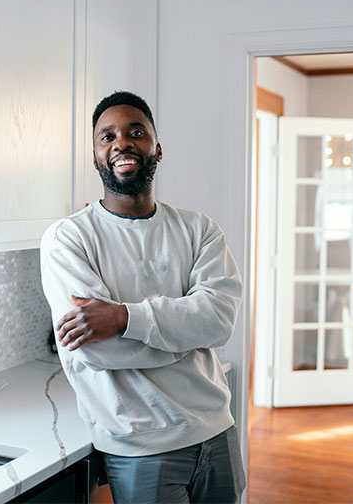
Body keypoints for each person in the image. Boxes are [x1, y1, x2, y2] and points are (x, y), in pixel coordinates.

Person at [40, 91, 245, 503]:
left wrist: (124, 319)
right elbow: (95, 352)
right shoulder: (69, 238)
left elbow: (219, 321)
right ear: (96, 155)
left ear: (157, 148)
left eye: (136, 132)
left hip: (216, 432)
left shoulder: (199, 230)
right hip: (139, 448)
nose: (121, 143)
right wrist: (184, 337)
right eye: (107, 136)